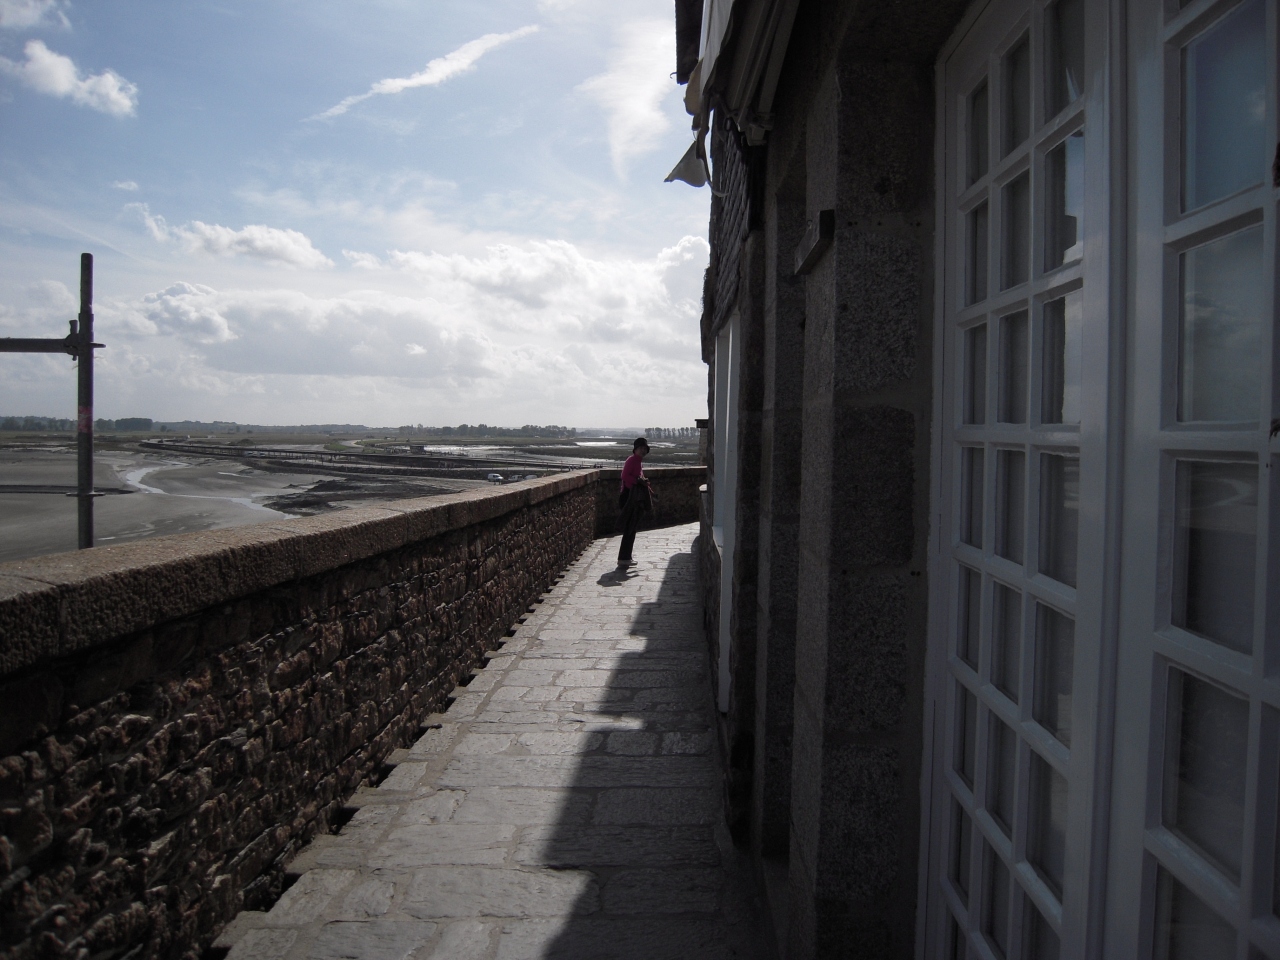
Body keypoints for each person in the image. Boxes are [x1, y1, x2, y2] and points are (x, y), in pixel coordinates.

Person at [617, 437, 653, 570]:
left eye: (645, 449)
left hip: (632, 497)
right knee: (629, 528)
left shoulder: (638, 462)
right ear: (635, 449)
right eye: (641, 448)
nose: (643, 451)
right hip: (628, 497)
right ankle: (624, 558)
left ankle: (626, 557)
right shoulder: (632, 460)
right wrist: (637, 481)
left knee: (631, 528)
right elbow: (624, 476)